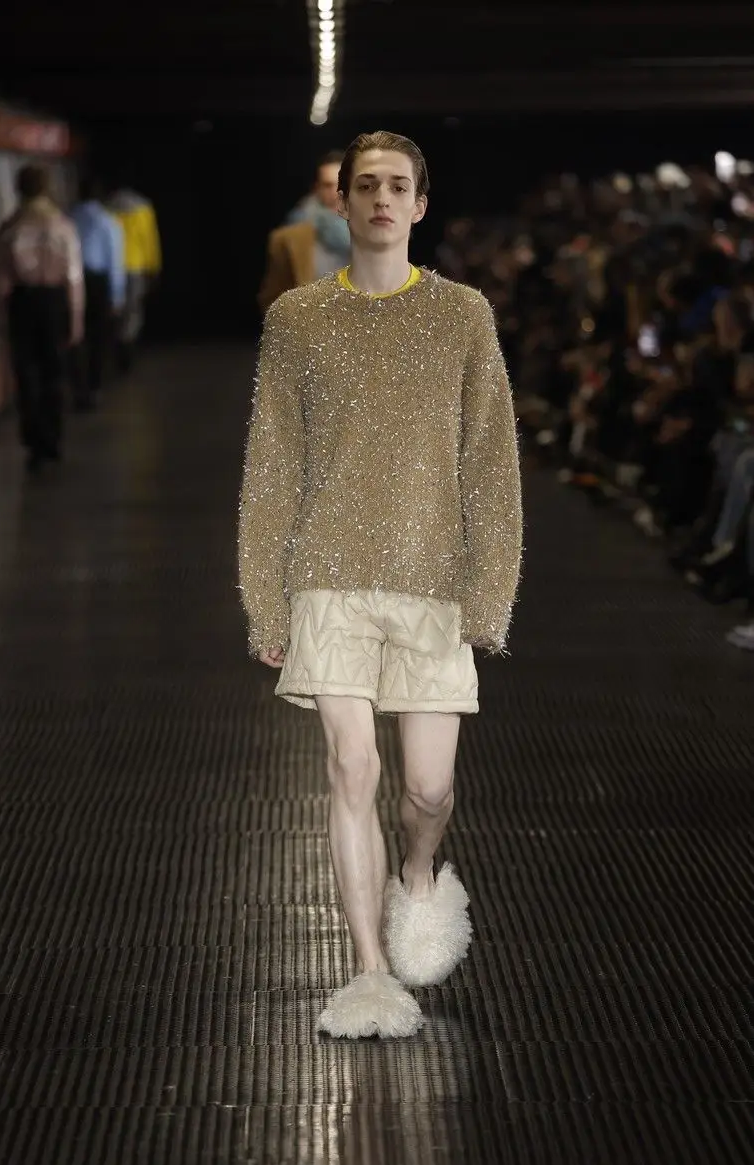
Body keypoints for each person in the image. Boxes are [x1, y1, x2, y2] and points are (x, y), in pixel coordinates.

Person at [239, 131, 522, 1039]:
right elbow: (271, 465)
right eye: (366, 185)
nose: (381, 199)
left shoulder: (462, 315)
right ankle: (368, 972)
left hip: (433, 578)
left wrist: (490, 592)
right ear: (343, 201)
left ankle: (418, 873)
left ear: (420, 205)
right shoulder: (296, 320)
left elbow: (491, 461)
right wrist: (263, 598)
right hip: (325, 576)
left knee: (428, 792)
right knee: (350, 768)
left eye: (398, 186)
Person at [0, 163, 84, 473]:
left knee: (27, 373)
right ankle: (53, 438)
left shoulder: (9, 227)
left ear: (18, 189)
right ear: (46, 188)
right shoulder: (62, 226)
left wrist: (1, 318)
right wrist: (75, 319)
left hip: (22, 302)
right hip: (55, 302)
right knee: (54, 372)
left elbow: (0, 280)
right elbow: (73, 277)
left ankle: (34, 442)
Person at [257, 151, 351, 313]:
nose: (337, 192)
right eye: (328, 185)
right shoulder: (288, 238)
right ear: (316, 188)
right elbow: (271, 296)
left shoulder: (375, 230)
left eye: (342, 184)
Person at [71, 176, 126, 408]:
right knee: (97, 337)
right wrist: (116, 296)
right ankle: (93, 386)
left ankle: (77, 386)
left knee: (74, 335)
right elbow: (115, 262)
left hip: (71, 281)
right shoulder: (108, 221)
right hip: (97, 283)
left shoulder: (68, 218)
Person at [107, 179, 162, 372]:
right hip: (136, 265)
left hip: (113, 266)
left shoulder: (107, 207)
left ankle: (117, 345)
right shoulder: (143, 207)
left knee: (115, 308)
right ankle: (127, 344)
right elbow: (149, 239)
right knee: (133, 309)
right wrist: (154, 266)